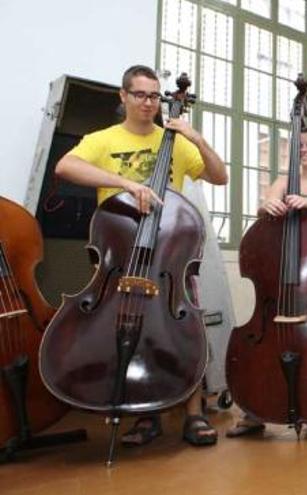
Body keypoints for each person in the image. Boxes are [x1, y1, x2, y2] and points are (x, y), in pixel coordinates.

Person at [55, 64, 229, 447]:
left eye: (154, 95)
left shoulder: (177, 141)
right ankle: (144, 415)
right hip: (120, 251)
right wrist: (124, 183)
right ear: (124, 96)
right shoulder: (103, 139)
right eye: (140, 95)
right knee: (130, 331)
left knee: (183, 331)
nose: (149, 102)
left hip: (170, 254)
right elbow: (65, 166)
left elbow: (220, 176)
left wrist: (197, 138)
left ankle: (194, 413)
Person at [226, 126, 307, 438]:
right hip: (281, 273)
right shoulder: (282, 181)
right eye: (299, 145)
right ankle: (255, 410)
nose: (303, 149)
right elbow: (263, 206)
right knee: (265, 344)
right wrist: (267, 206)